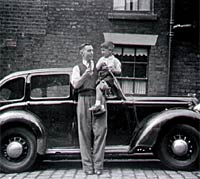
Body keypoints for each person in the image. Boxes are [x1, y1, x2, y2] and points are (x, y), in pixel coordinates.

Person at [71, 43, 107, 175]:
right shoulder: (77, 68)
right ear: (82, 53)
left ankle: (98, 167)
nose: (92, 53)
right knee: (84, 133)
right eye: (88, 51)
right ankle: (87, 167)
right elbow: (76, 85)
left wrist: (103, 84)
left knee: (100, 132)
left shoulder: (98, 66)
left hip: (98, 98)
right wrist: (86, 75)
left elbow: (105, 80)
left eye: (92, 50)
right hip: (83, 99)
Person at [89, 41, 121, 113]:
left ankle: (98, 105)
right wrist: (100, 65)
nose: (102, 52)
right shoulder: (101, 59)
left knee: (99, 87)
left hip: (109, 79)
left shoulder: (115, 61)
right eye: (101, 50)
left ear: (110, 50)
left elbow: (119, 71)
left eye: (104, 50)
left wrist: (113, 70)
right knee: (100, 88)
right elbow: (96, 69)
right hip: (102, 78)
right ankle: (102, 107)